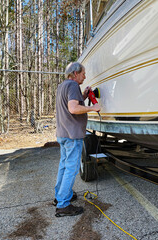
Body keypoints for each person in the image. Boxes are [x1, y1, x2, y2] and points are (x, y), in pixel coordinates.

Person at [54, 62, 100, 217]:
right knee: (71, 169)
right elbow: (73, 108)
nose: (85, 76)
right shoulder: (73, 86)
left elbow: (71, 105)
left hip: (63, 134)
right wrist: (93, 108)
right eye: (83, 73)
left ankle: (59, 196)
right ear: (75, 73)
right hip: (73, 136)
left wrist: (84, 96)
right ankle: (63, 205)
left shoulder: (63, 86)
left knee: (63, 166)